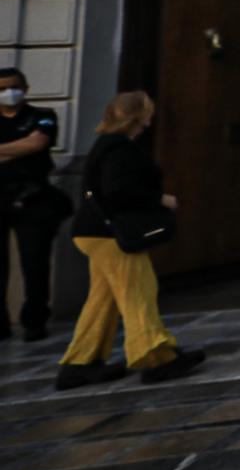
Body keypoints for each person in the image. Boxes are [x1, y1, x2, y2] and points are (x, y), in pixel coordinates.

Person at [56, 91, 205, 390]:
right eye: (149, 112)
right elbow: (117, 191)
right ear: (141, 117)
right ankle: (156, 357)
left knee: (103, 300)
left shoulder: (106, 144)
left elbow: (100, 191)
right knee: (138, 291)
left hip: (94, 232)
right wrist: (159, 199)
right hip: (109, 234)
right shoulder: (119, 149)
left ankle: (79, 364)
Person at [0, 67, 64, 341]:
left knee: (35, 261)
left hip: (32, 198)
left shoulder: (42, 116)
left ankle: (35, 320)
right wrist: (19, 147)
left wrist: (11, 149)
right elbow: (26, 145)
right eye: (2, 88)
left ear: (25, 88)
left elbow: (37, 143)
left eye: (14, 87)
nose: (9, 93)